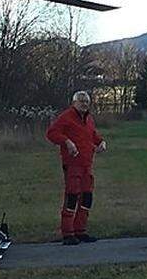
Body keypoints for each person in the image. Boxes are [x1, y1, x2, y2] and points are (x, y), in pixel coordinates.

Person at [45, 90, 107, 245]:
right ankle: (68, 233)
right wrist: (67, 142)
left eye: (86, 101)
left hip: (87, 164)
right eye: (81, 101)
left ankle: (80, 230)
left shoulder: (89, 119)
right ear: (74, 103)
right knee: (72, 196)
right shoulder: (66, 117)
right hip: (73, 164)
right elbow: (51, 133)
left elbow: (92, 135)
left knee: (87, 197)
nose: (84, 104)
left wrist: (101, 142)